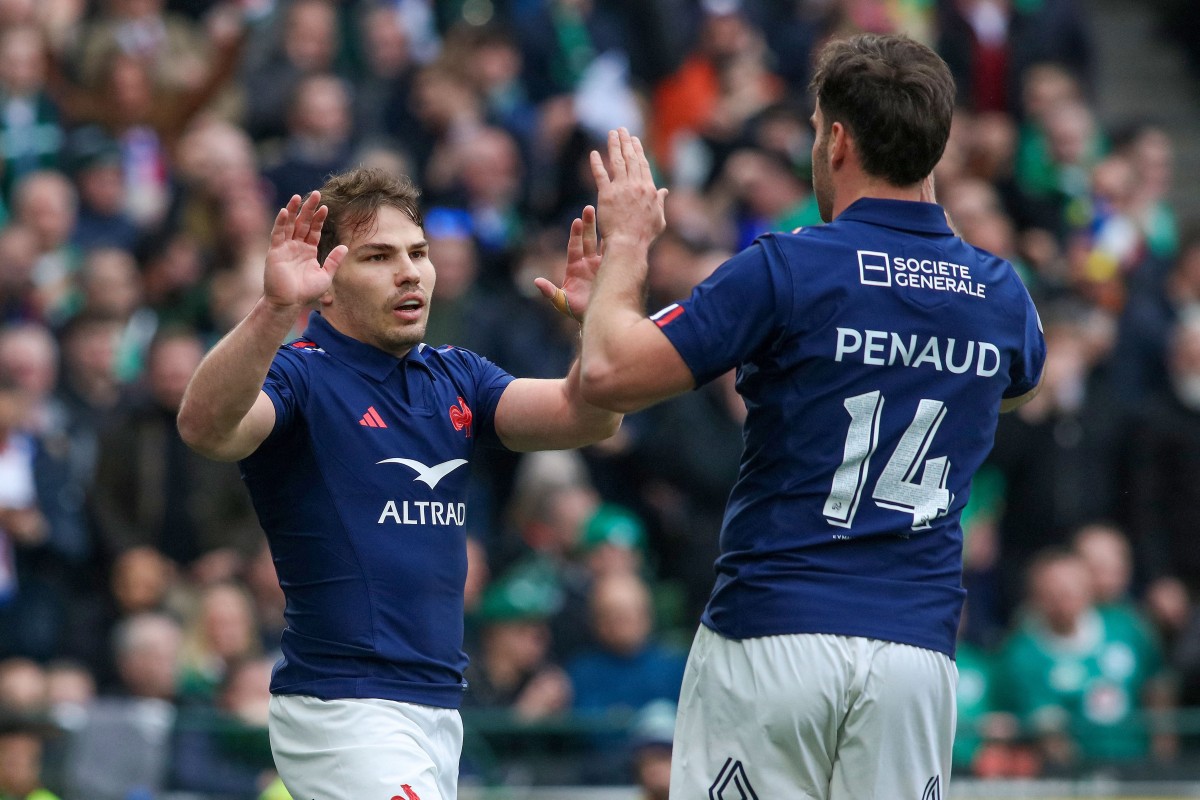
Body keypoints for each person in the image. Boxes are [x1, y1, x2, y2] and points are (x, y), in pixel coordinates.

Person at [578, 34, 1046, 799]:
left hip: (775, 632)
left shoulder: (788, 266)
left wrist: (627, 241)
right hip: (915, 656)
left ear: (835, 139)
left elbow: (606, 374)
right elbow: (1016, 387)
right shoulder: (997, 293)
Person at [176, 167, 621, 800]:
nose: (409, 271)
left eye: (418, 253)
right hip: (342, 710)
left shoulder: (457, 375)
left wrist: (592, 320)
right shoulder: (301, 377)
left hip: (439, 710)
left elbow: (592, 416)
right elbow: (205, 428)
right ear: (325, 283)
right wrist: (276, 308)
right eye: (379, 257)